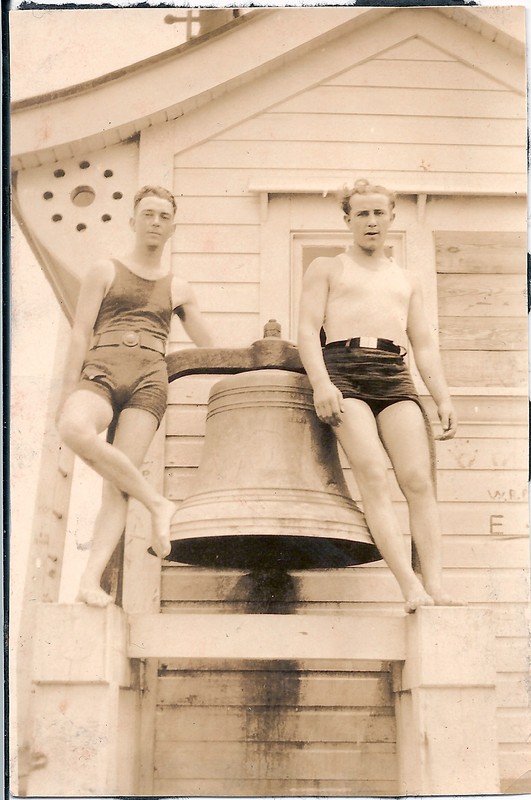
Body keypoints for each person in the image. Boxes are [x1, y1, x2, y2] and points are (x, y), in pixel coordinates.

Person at [297, 179, 457, 613]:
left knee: (418, 481)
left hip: (392, 371)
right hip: (343, 371)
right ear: (348, 219)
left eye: (378, 213)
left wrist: (441, 396)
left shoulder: (406, 279)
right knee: (371, 473)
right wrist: (321, 383)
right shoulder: (328, 268)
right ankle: (410, 586)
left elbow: (423, 344)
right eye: (362, 214)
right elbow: (308, 331)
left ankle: (436, 584)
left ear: (391, 218)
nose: (371, 221)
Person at [57, 185, 212, 607]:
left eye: (164, 215)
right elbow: (80, 331)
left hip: (149, 377)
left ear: (173, 227)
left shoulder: (180, 287)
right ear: (133, 221)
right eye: (148, 214)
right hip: (102, 368)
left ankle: (89, 582)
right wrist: (69, 388)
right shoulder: (104, 270)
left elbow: (209, 345)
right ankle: (158, 503)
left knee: (116, 488)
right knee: (73, 426)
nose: (155, 222)